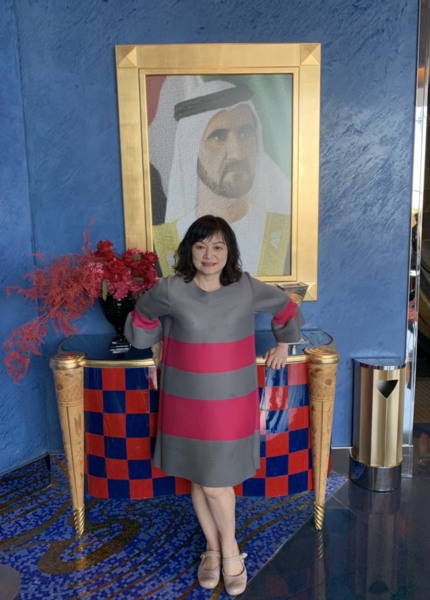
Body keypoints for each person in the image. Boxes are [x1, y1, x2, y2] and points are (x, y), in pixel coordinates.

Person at [125, 215, 304, 595]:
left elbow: (284, 307)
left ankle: (229, 550)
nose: (209, 254)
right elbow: (142, 315)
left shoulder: (246, 287)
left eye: (218, 246)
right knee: (200, 476)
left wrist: (283, 344)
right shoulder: (171, 289)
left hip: (231, 401)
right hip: (185, 399)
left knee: (214, 482)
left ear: (229, 251)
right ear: (190, 249)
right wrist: (155, 342)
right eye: (201, 245)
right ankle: (217, 549)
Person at [151, 79, 292, 277]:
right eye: (218, 137)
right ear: (191, 151)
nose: (236, 153)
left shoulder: (288, 235)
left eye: (245, 133)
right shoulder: (160, 245)